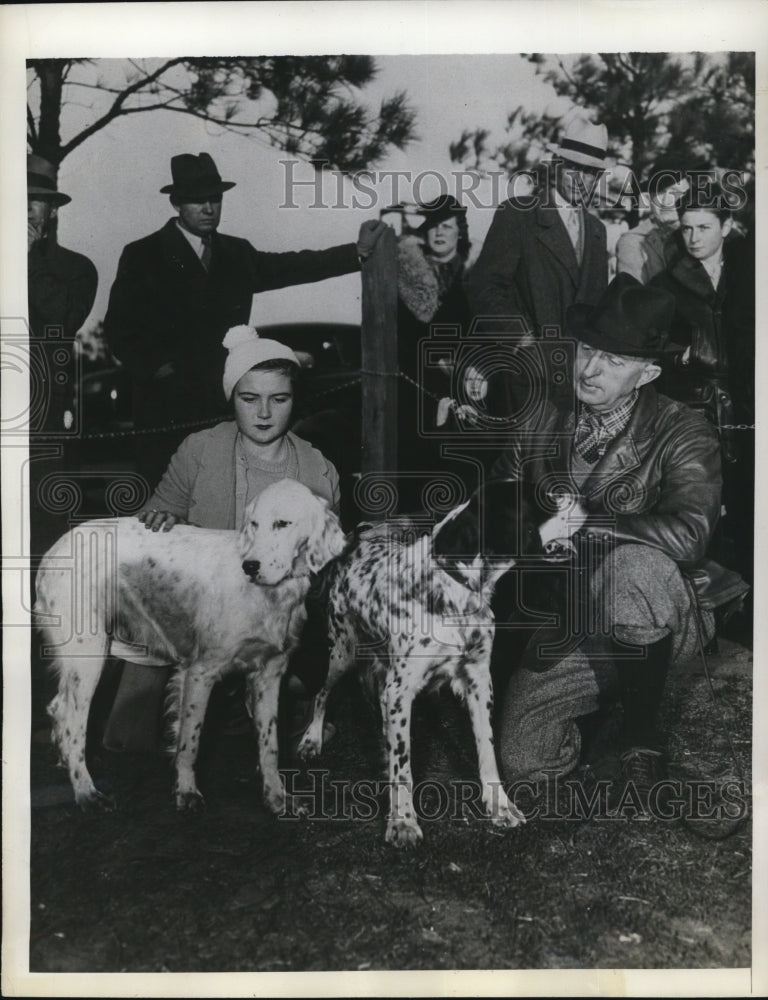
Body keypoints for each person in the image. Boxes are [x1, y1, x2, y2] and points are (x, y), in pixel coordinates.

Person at [490, 273, 748, 808]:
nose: (589, 368)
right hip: (573, 617)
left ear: (648, 372)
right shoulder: (539, 418)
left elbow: (690, 534)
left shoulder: (684, 431)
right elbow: (498, 508)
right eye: (588, 349)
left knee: (632, 564)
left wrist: (586, 524)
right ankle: (612, 701)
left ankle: (641, 739)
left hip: (659, 610)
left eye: (614, 360)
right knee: (523, 760)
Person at [100, 326, 340, 758]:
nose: (264, 413)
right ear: (231, 398)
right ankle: (147, 725)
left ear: (295, 400)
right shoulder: (199, 449)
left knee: (299, 670)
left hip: (273, 607)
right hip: (200, 602)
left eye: (279, 399)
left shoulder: (317, 469)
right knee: (126, 736)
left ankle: (277, 704)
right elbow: (157, 516)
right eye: (250, 399)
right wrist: (163, 517)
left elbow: (323, 562)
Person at [103, 152, 386, 488]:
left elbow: (294, 266)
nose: (209, 209)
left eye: (215, 199)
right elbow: (119, 330)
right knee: (167, 514)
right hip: (166, 412)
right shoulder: (144, 254)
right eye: (198, 200)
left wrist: (356, 252)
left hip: (223, 406)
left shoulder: (236, 254)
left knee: (225, 505)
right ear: (178, 203)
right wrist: (161, 370)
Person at [649, 178, 754, 589]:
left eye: (704, 227)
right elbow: (647, 344)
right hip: (694, 411)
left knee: (750, 509)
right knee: (700, 514)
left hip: (748, 405)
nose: (693, 238)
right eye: (686, 228)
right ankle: (704, 618)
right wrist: (681, 353)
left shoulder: (751, 270)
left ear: (726, 226)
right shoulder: (664, 284)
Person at [468, 118, 610, 420]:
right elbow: (484, 287)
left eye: (590, 172)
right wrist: (522, 340)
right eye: (573, 167)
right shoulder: (518, 215)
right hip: (526, 378)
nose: (580, 179)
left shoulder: (597, 231)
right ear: (557, 165)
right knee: (522, 465)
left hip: (580, 380)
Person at [395, 195, 474, 509]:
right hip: (419, 384)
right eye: (432, 226)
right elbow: (404, 335)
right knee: (420, 462)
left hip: (471, 381)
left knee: (463, 462)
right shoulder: (407, 272)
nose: (439, 233)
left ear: (459, 230)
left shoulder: (475, 272)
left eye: (447, 226)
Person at [615, 158, 689, 283]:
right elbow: (633, 297)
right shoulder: (633, 242)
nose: (665, 201)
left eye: (675, 193)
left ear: (688, 197)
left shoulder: (700, 234)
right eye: (660, 192)